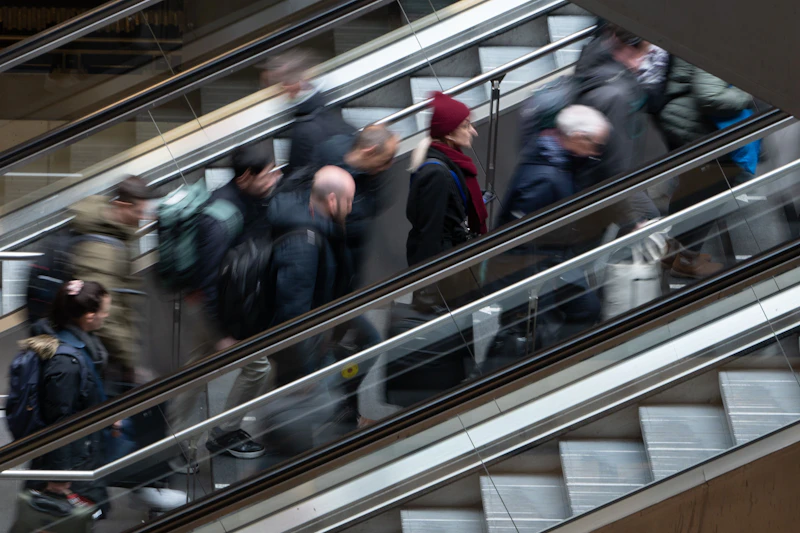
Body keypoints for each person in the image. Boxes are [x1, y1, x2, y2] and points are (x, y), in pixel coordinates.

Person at [204, 166, 356, 455]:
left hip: (309, 341)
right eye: (348, 201)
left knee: (295, 415)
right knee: (293, 428)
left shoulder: (312, 220)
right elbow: (292, 312)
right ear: (332, 201)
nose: (351, 208)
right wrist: (302, 370)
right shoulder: (303, 243)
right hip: (298, 349)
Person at [20, 281, 184, 523]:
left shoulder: (81, 341)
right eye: (104, 310)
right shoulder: (66, 363)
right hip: (74, 458)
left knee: (85, 513)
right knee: (77, 515)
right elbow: (60, 423)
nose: (107, 315)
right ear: (89, 316)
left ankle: (144, 488)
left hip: (85, 446)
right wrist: (59, 477)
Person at [168, 144, 281, 467]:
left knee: (198, 370)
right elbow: (208, 281)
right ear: (245, 177)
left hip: (232, 304)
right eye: (267, 174)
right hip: (216, 310)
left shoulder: (249, 198)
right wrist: (221, 332)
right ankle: (209, 434)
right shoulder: (218, 220)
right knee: (251, 367)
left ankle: (182, 439)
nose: (273, 178)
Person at [491, 105, 610, 360]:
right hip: (534, 267)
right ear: (578, 137)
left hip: (553, 260)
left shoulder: (558, 161)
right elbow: (519, 237)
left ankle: (560, 360)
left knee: (585, 309)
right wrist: (531, 283)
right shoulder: (546, 176)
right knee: (525, 326)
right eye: (596, 146)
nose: (597, 154)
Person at [658, 57, 754, 278]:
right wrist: (747, 95)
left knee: (691, 191)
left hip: (682, 119)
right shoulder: (723, 46)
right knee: (710, 195)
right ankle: (686, 261)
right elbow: (710, 96)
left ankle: (672, 252)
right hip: (697, 126)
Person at [572, 23, 660, 227]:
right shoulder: (616, 96)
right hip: (619, 186)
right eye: (642, 54)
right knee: (653, 222)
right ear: (627, 49)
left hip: (615, 181)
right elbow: (615, 165)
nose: (642, 62)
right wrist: (634, 218)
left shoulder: (596, 57)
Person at [69, 176, 154, 384]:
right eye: (138, 212)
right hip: (102, 353)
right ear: (121, 206)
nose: (142, 218)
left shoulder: (115, 236)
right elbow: (100, 313)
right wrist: (129, 359)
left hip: (107, 351)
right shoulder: (101, 250)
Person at [407, 92, 487, 267]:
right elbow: (430, 234)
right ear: (449, 133)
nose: (473, 131)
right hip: (444, 263)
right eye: (466, 126)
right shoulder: (436, 174)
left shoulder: (451, 161)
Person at [267, 50, 355, 174]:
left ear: (289, 87)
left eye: (278, 87)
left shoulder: (304, 130)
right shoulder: (325, 106)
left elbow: (300, 173)